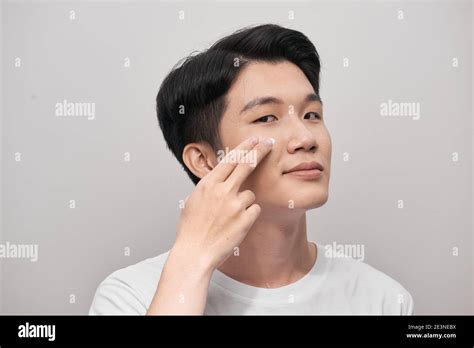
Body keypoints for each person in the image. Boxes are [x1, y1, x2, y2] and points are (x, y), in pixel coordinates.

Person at [89, 24, 414, 315]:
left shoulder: (383, 301)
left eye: (312, 115)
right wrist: (191, 263)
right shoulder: (131, 297)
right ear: (204, 160)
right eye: (267, 118)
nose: (305, 138)